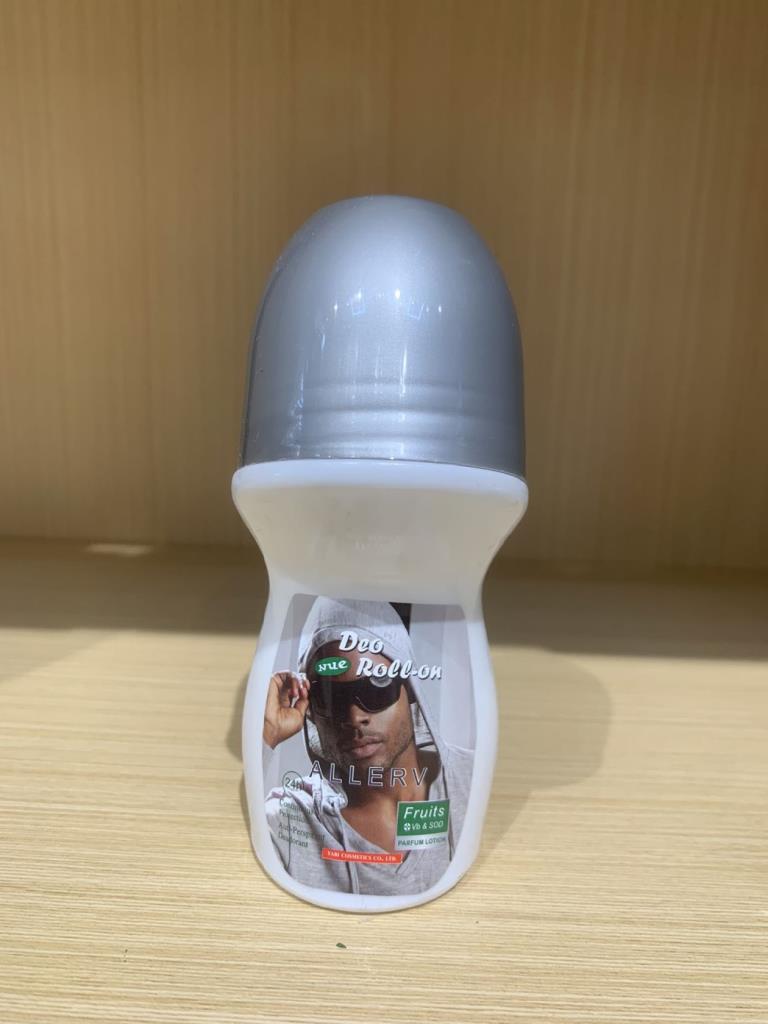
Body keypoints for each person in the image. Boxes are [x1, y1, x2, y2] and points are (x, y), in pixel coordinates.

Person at [263, 597, 474, 896]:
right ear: (310, 710)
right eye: (330, 698)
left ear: (411, 690)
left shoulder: (470, 779)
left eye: (375, 689)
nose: (354, 717)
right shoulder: (292, 817)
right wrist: (267, 732)